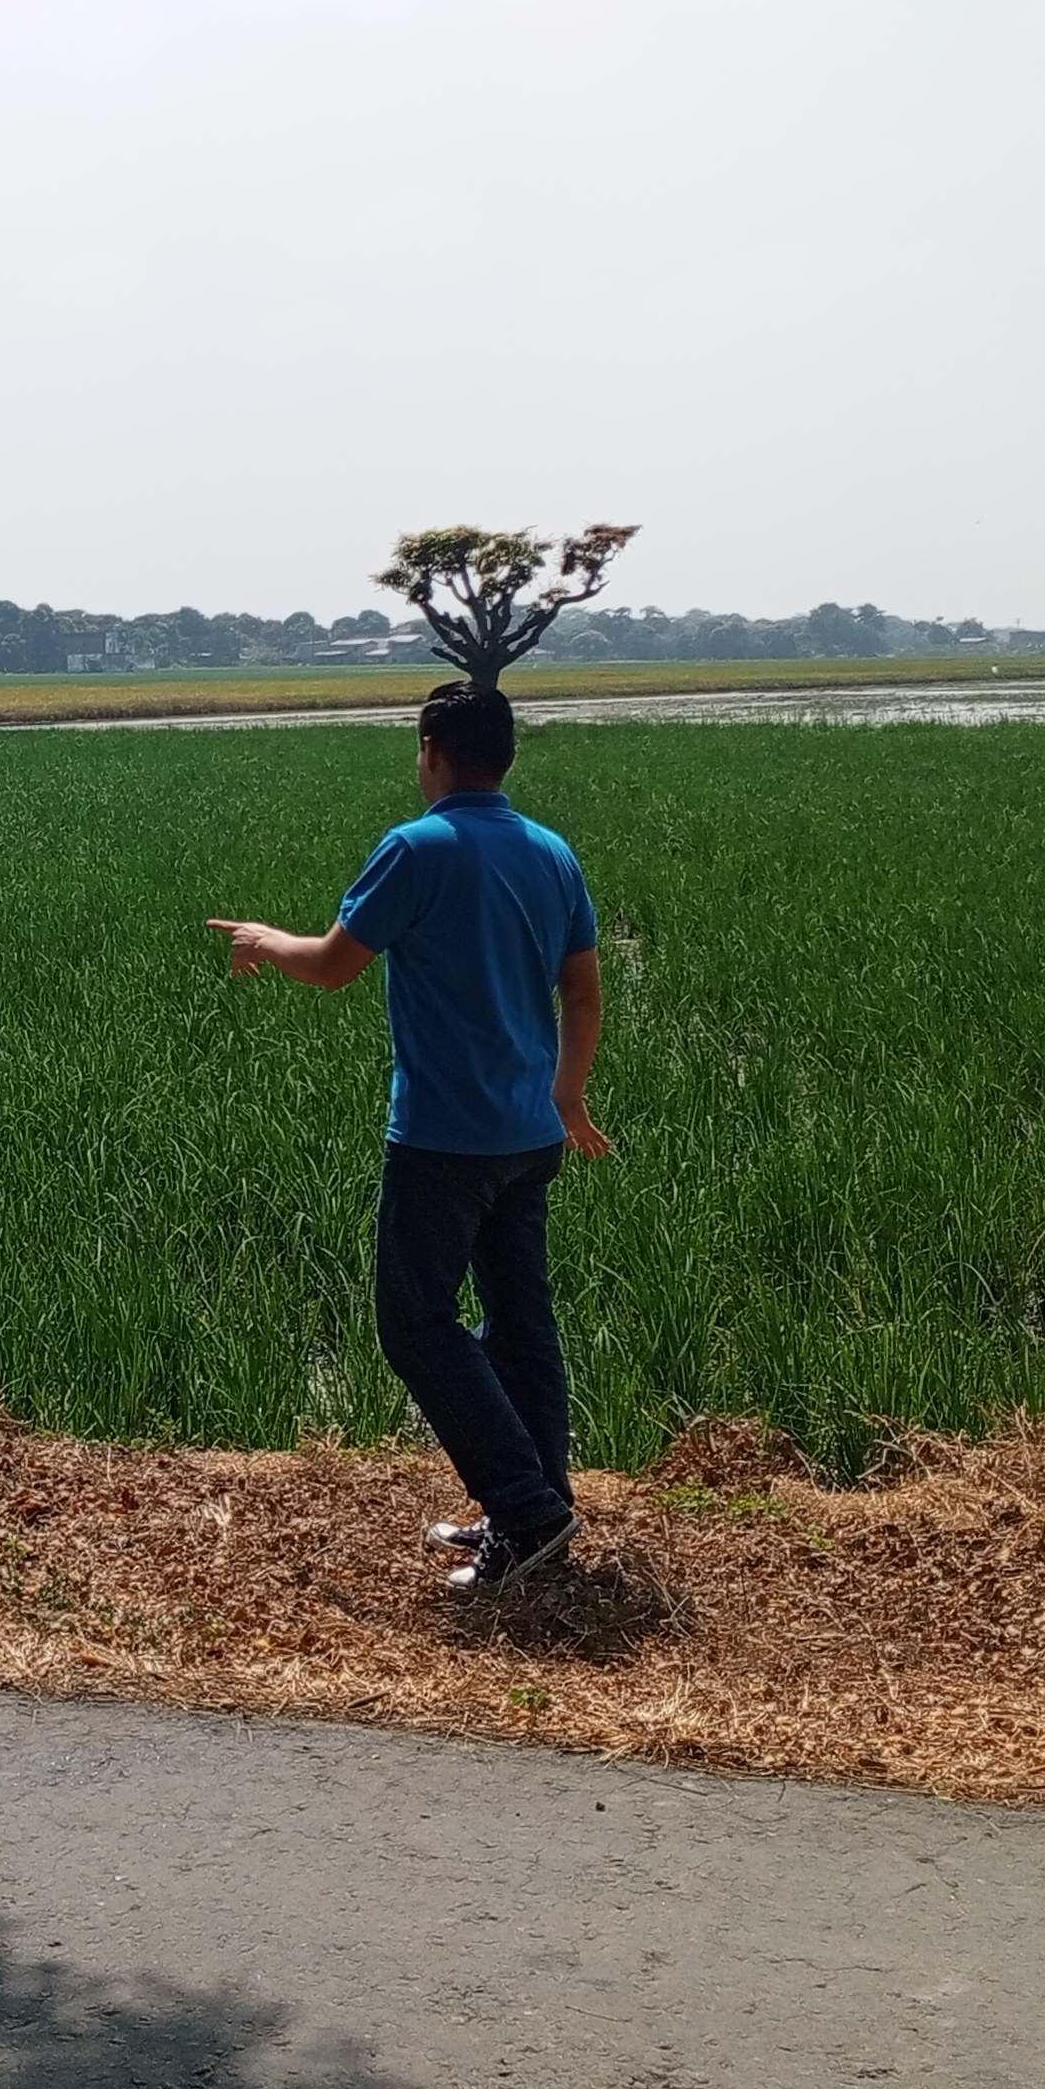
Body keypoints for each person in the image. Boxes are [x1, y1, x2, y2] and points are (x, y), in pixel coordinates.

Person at [207, 680, 608, 1595]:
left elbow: (332, 966)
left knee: (416, 1323)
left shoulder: (418, 847)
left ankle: (527, 1509)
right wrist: (568, 1097)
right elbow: (582, 993)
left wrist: (265, 939)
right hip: (529, 1135)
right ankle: (539, 1507)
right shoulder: (551, 852)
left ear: (431, 751)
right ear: (505, 755)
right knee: (520, 1323)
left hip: (444, 1137)